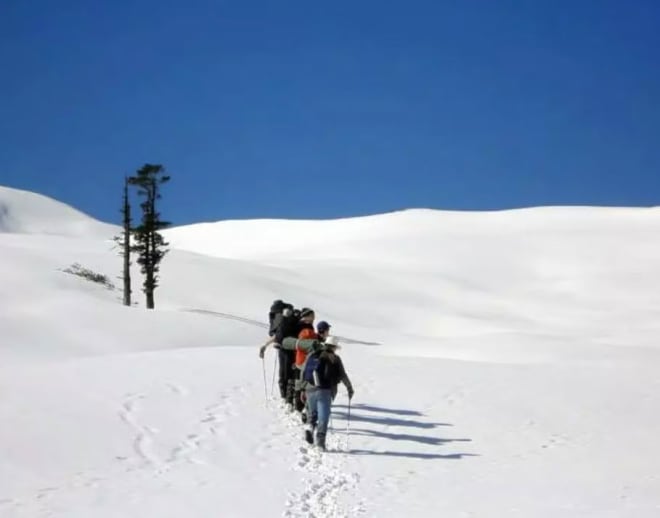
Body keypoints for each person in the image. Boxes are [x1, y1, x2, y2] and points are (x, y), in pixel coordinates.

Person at [302, 336, 354, 451]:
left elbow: (304, 371)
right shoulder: (335, 358)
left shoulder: (313, 355)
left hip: (310, 388)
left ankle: (309, 427)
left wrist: (302, 388)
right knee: (323, 418)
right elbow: (342, 375)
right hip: (324, 390)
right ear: (334, 347)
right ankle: (320, 443)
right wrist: (349, 388)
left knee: (312, 413)